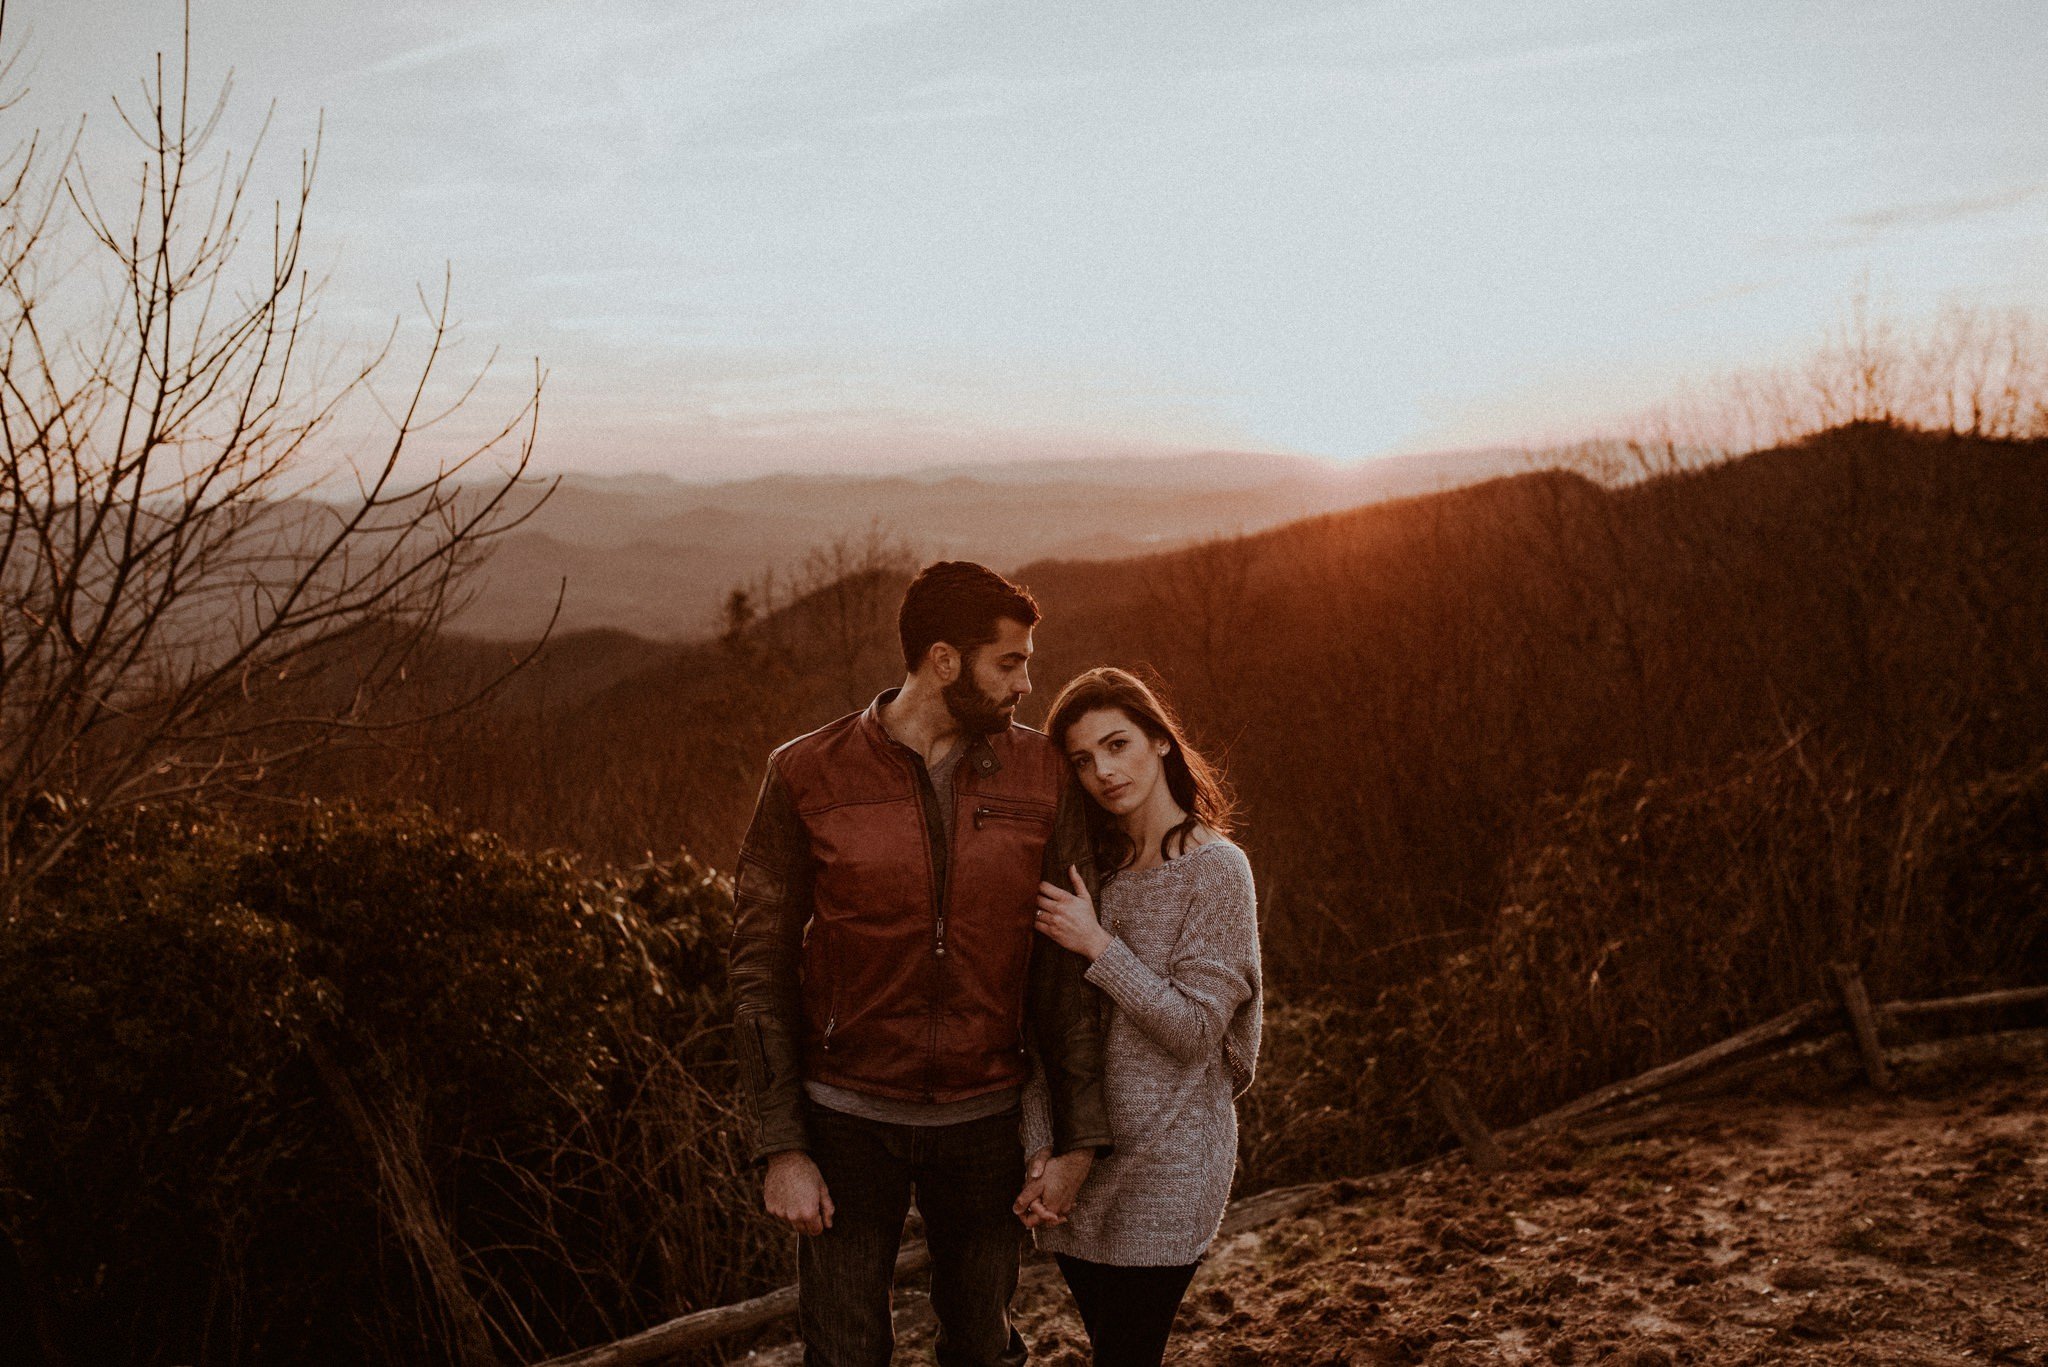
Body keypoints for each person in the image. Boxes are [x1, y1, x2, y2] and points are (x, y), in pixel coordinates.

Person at [728, 561, 1113, 1367]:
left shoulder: (1043, 775)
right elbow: (758, 964)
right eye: (1010, 662)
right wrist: (782, 1146)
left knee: (982, 1346)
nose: (1026, 682)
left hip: (984, 1119)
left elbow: (1066, 975)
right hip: (843, 1120)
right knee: (842, 1352)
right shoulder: (804, 773)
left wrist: (1078, 1140)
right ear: (945, 660)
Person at [1015, 666, 1262, 1367]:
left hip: (1171, 1166)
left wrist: (1097, 943)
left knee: (1128, 1351)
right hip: (1076, 1169)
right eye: (1084, 760)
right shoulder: (1088, 870)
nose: (1103, 771)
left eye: (1118, 744)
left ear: (1160, 741)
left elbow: (1193, 1031)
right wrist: (1041, 1146)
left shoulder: (1217, 872)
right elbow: (1045, 1026)